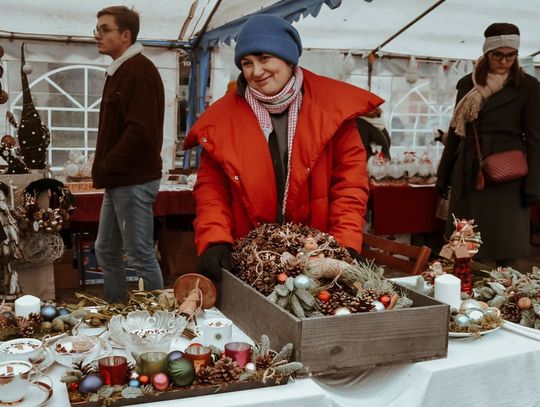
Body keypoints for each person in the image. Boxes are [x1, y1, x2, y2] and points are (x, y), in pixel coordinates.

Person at [184, 15, 383, 281]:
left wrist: (344, 243)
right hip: (250, 258)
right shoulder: (221, 121)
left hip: (317, 257)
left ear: (288, 58)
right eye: (247, 63)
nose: (256, 71)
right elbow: (211, 189)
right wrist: (215, 239)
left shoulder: (334, 112)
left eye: (264, 58)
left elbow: (350, 187)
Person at [436, 22, 540, 268]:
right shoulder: (466, 84)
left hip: (508, 175)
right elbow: (455, 131)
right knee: (465, 242)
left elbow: (536, 139)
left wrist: (533, 187)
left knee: (505, 246)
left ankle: (505, 299)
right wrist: (444, 175)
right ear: (486, 53)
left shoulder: (529, 87)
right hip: (468, 170)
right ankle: (465, 292)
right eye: (498, 55)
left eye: (511, 55)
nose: (504, 62)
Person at [91, 6, 165, 302]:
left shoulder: (138, 72)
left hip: (133, 180)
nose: (98, 35)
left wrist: (109, 165)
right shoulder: (122, 70)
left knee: (140, 254)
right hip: (120, 180)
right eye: (97, 29)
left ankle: (162, 322)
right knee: (106, 249)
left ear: (125, 35)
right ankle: (116, 311)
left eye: (104, 29)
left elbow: (140, 132)